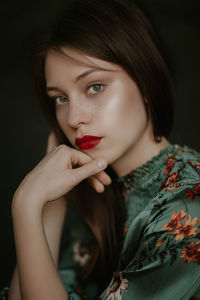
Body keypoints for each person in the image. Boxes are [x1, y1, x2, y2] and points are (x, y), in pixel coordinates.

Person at [1, 0, 200, 299]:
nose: (73, 118)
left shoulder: (188, 200)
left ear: (145, 81)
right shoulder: (100, 194)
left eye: (95, 86)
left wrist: (25, 204)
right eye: (60, 98)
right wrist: (46, 205)